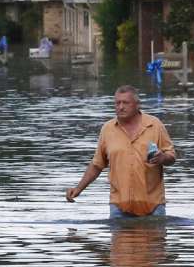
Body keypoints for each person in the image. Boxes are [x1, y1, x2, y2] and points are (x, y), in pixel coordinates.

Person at [65, 85, 176, 218]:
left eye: (125, 103)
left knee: (154, 237)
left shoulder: (155, 125)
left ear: (137, 105)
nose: (121, 107)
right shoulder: (107, 129)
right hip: (119, 207)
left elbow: (172, 157)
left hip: (153, 205)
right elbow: (97, 165)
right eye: (117, 103)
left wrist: (163, 158)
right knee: (120, 238)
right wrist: (78, 189)